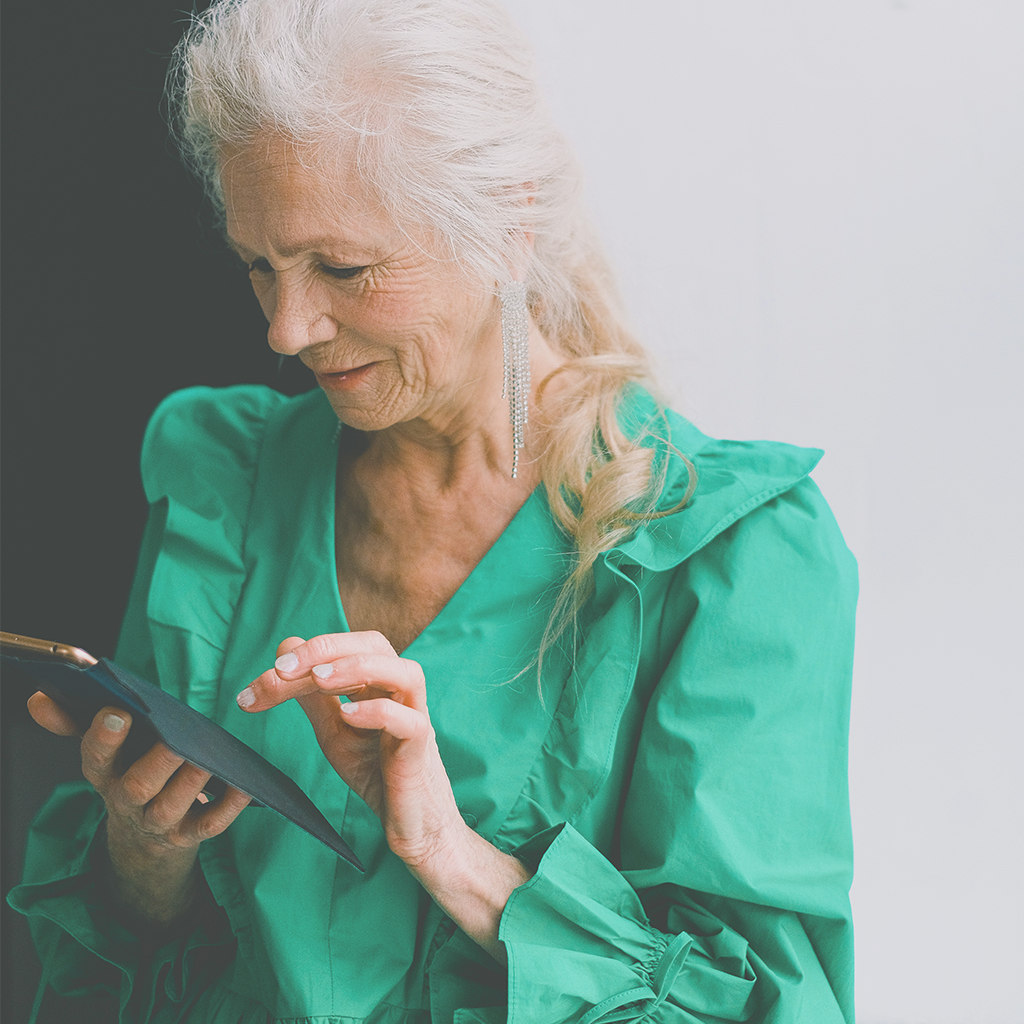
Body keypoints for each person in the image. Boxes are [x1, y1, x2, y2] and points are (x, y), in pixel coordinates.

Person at [9, 1, 858, 1021]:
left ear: (508, 222)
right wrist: (145, 848)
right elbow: (123, 979)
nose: (287, 328)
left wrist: (445, 850)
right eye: (258, 265)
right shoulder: (222, 485)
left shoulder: (735, 554)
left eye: (343, 267)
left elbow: (757, 1006)